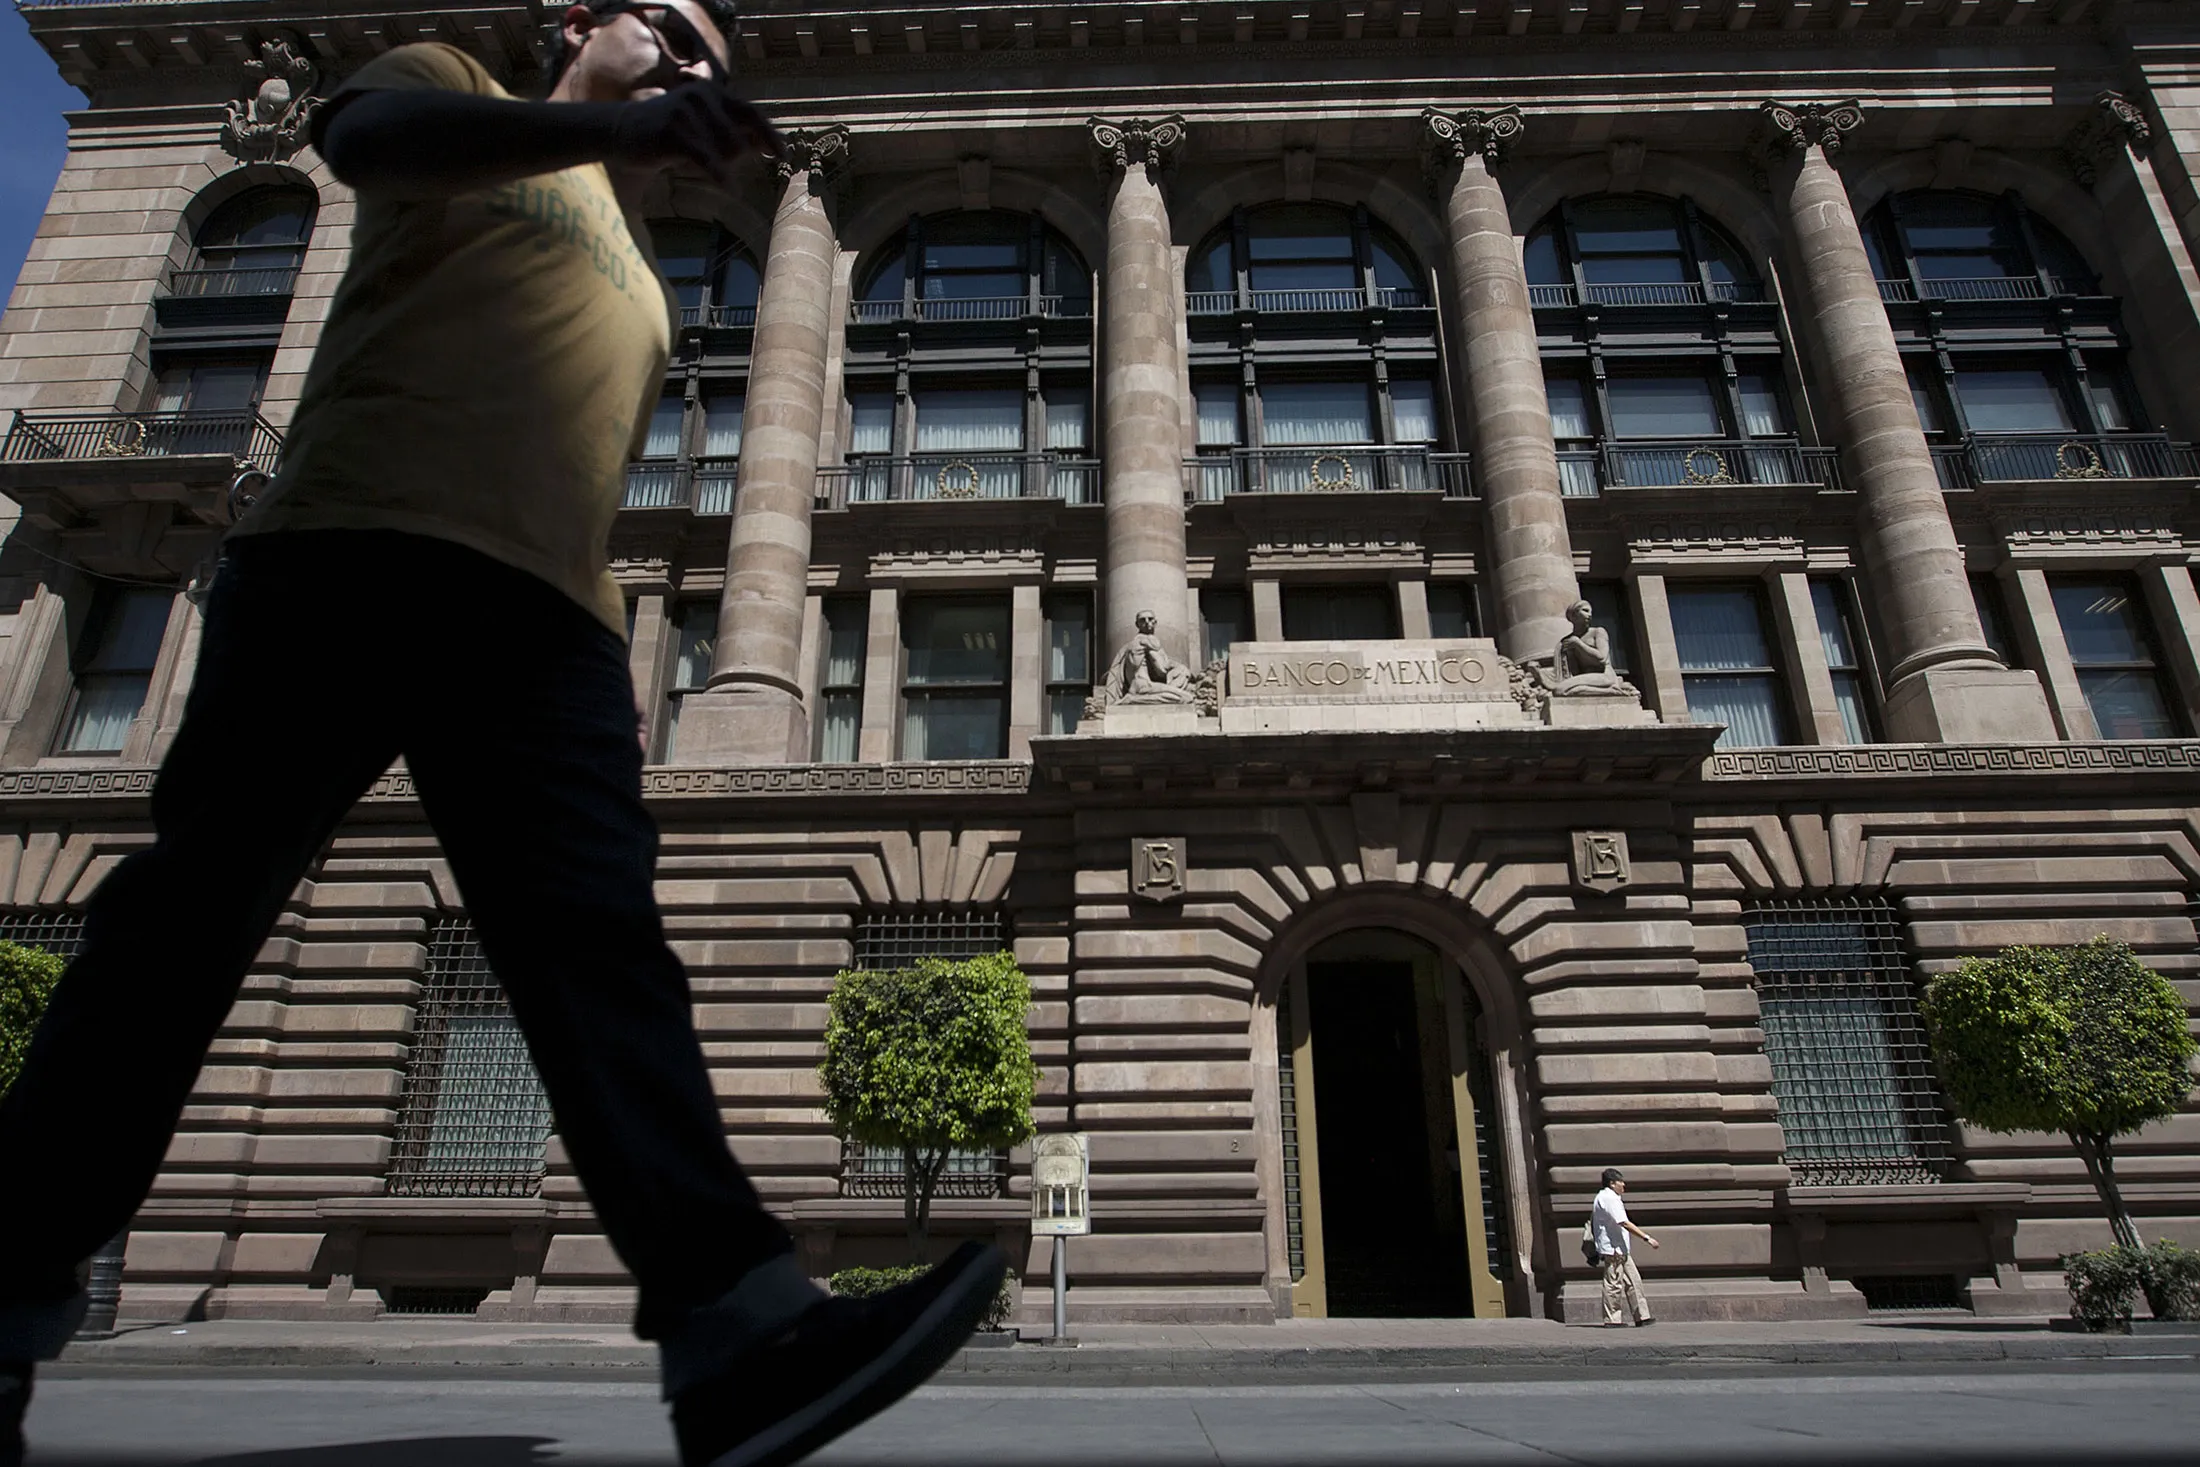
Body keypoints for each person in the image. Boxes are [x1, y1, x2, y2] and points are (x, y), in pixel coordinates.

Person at [0, 7, 1006, 1467]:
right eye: (665, 25)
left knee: (604, 954)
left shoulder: (651, 279)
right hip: (354, 547)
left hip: (557, 620)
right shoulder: (455, 89)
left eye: (710, 59)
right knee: (182, 937)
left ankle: (742, 1331)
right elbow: (365, 140)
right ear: (578, 24)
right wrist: (609, 131)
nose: (687, 61)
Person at [1591, 1167, 1659, 1327]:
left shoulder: (1609, 1197)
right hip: (1613, 1249)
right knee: (1614, 1284)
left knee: (1634, 1281)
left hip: (1621, 1250)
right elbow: (1623, 1222)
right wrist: (1646, 1237)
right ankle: (1612, 1320)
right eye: (1621, 1182)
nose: (1624, 1185)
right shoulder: (1609, 1198)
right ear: (1612, 1183)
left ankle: (1642, 1316)